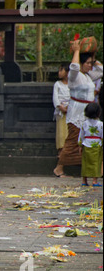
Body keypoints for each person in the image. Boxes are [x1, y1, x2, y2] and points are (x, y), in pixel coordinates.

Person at [53, 39, 103, 177]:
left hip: (90, 111)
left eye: (90, 63)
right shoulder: (75, 76)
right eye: (87, 63)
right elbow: (74, 67)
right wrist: (76, 51)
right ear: (81, 63)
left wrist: (92, 56)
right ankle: (59, 168)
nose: (89, 66)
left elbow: (101, 70)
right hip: (77, 112)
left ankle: (98, 169)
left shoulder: (88, 76)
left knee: (93, 137)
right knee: (72, 141)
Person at [78, 102, 103, 187]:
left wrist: (80, 145)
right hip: (97, 145)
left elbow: (81, 135)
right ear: (98, 113)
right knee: (96, 163)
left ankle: (84, 181)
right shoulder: (101, 124)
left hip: (86, 144)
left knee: (85, 163)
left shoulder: (84, 123)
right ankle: (95, 181)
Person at [52, 63, 70, 154]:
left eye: (61, 70)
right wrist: (60, 106)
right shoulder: (57, 84)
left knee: (70, 132)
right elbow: (55, 97)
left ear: (67, 72)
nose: (59, 72)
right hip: (61, 111)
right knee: (61, 132)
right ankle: (61, 151)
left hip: (71, 110)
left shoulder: (72, 84)